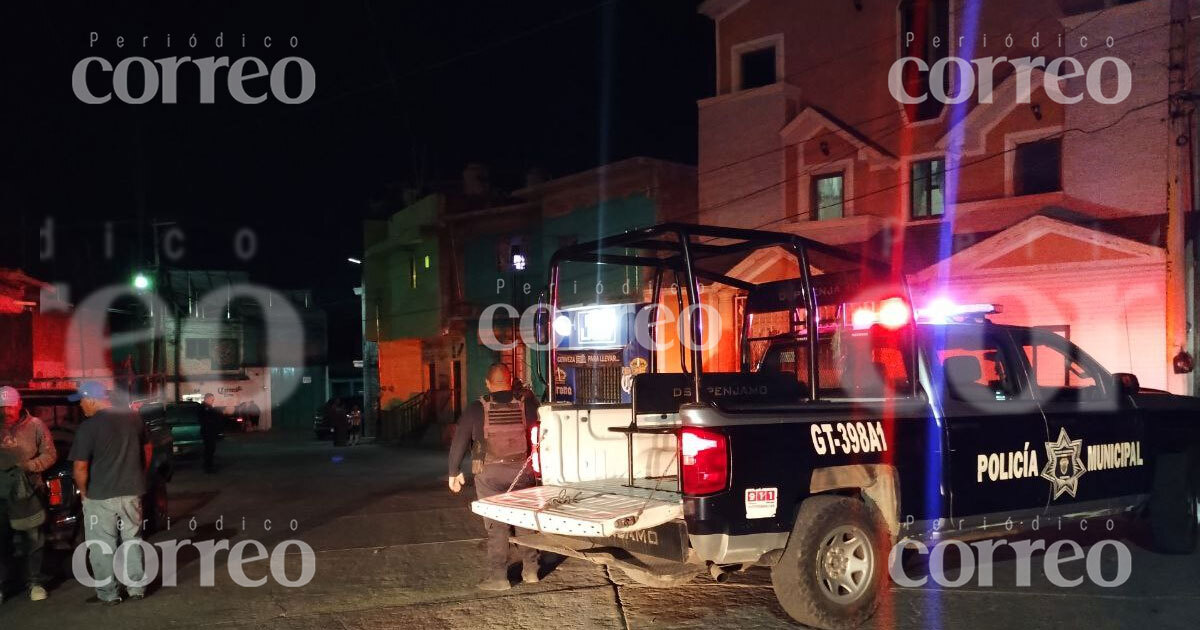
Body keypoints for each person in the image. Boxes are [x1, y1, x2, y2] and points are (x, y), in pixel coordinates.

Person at [447, 364, 540, 591]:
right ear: (510, 381)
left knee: (497, 526)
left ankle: (499, 578)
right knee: (525, 521)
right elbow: (541, 434)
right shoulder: (527, 404)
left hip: (489, 474)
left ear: (488, 383)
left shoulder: (477, 408)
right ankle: (530, 571)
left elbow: (460, 440)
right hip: (522, 472)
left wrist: (453, 471)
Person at [67, 381, 153, 605]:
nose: (81, 407)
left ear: (92, 399)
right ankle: (136, 588)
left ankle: (109, 593)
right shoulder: (133, 418)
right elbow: (148, 447)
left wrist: (83, 492)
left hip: (100, 495)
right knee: (132, 540)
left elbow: (80, 467)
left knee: (102, 545)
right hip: (132, 491)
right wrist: (139, 472)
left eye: (82, 402)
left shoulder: (88, 427)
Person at [0, 386, 56, 603]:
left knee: (33, 540)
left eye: (10, 407)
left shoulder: (36, 426)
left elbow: (50, 453)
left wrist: (30, 465)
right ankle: (3, 585)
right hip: (1, 496)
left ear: (19, 404)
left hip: (28, 493)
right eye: (2, 408)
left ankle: (35, 582)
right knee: (1, 542)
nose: (6, 412)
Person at [199, 393, 223, 473]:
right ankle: (208, 467)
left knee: (210, 449)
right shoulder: (204, 408)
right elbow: (207, 420)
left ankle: (209, 465)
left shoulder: (207, 407)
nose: (213, 401)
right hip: (208, 432)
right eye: (212, 399)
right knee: (209, 450)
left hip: (209, 432)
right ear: (207, 399)